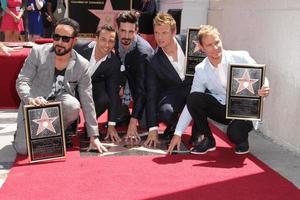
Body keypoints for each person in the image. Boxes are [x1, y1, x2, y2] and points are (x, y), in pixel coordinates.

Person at [167, 25, 270, 155]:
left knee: (234, 134)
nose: (215, 48)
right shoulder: (201, 69)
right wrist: (178, 133)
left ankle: (242, 139)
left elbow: (261, 77)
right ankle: (209, 140)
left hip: (244, 110)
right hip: (222, 108)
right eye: (209, 45)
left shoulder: (241, 57)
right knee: (193, 98)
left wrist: (264, 87)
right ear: (202, 48)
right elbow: (191, 104)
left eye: (217, 42)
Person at [14, 18, 107, 155]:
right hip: (34, 105)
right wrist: (30, 99)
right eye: (56, 37)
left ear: (74, 41)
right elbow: (22, 81)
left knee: (73, 105)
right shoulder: (38, 53)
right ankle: (29, 132)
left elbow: (87, 100)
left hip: (59, 106)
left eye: (65, 39)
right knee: (22, 149)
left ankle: (56, 132)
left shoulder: (82, 65)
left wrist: (94, 136)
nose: (59, 42)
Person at [144, 12, 195, 148]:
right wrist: (153, 128)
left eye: (164, 32)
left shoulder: (189, 42)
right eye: (156, 33)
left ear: (174, 31)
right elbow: (151, 94)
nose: (159, 37)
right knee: (165, 111)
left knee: (200, 101)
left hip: (195, 88)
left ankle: (200, 129)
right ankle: (174, 124)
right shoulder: (153, 60)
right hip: (174, 92)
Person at [74, 25, 122, 143]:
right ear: (96, 38)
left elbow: (113, 92)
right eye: (103, 39)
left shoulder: (113, 62)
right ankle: (72, 119)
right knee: (71, 113)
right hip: (69, 87)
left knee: (105, 99)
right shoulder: (78, 47)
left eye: (111, 41)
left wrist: (111, 125)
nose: (107, 45)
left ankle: (90, 125)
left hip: (90, 88)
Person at [115, 11, 154, 142]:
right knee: (116, 118)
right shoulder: (114, 40)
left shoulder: (144, 53)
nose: (126, 36)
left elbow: (142, 89)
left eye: (131, 32)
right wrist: (119, 84)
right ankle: (123, 111)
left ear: (137, 30)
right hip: (126, 82)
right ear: (117, 29)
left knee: (144, 124)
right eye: (123, 31)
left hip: (144, 89)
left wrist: (133, 120)